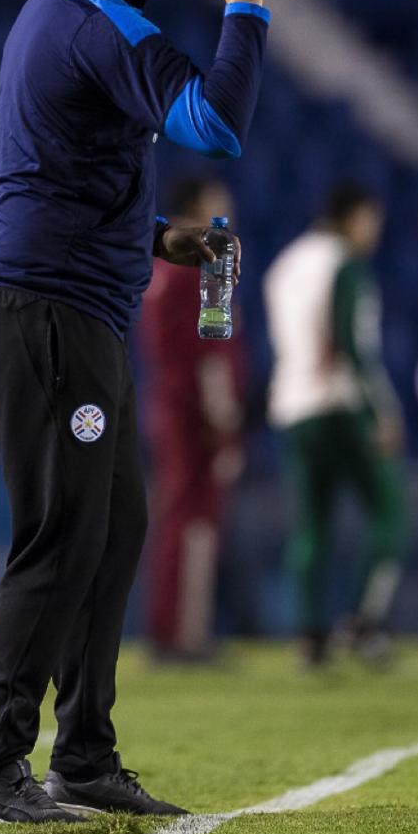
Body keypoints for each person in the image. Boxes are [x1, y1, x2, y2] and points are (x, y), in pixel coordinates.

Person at [0, 0, 269, 825]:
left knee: (115, 524)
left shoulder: (67, 17)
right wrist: (244, 4)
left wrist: (162, 237)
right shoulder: (98, 20)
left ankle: (81, 756)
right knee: (61, 532)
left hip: (68, 308)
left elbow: (66, 168)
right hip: (45, 312)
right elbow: (213, 124)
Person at [263, 183, 406, 669]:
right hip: (340, 404)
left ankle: (309, 636)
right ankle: (363, 623)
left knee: (311, 524)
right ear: (353, 216)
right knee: (388, 510)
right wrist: (381, 411)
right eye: (371, 220)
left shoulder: (285, 264)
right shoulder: (344, 263)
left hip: (291, 403)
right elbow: (350, 341)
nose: (374, 232)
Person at [139, 177, 246, 662]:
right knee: (195, 522)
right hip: (193, 414)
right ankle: (185, 636)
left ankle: (168, 630)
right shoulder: (198, 271)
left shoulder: (158, 269)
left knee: (175, 518)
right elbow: (210, 353)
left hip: (168, 405)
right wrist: (223, 422)